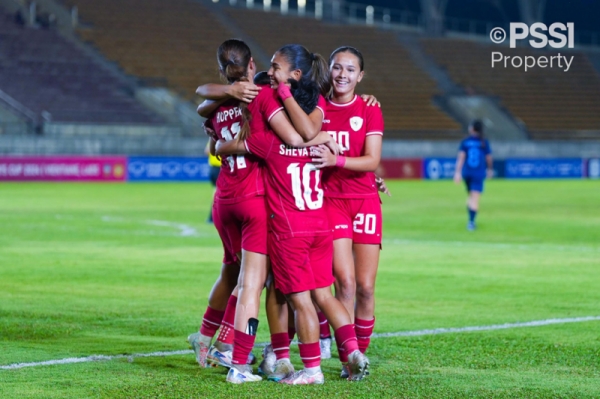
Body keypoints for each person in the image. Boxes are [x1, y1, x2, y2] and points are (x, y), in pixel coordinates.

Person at [216, 43, 370, 385]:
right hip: (320, 224)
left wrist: (219, 144)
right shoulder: (319, 132)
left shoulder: (268, 143)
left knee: (290, 297)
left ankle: (300, 365)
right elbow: (316, 133)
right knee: (323, 295)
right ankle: (352, 350)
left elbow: (228, 146)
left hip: (288, 228)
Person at [194, 39, 336, 384]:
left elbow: (202, 107)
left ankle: (211, 339)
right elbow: (298, 137)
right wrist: (326, 138)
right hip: (259, 201)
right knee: (258, 284)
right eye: (269, 68)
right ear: (254, 65)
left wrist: (222, 141)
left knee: (235, 275)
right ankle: (246, 358)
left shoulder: (223, 99)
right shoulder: (265, 97)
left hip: (224, 198)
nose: (272, 73)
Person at [310, 46, 385, 378]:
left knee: (367, 287)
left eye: (350, 69)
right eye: (337, 68)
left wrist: (336, 160)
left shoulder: (369, 108)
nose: (342, 75)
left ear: (361, 75)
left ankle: (360, 358)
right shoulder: (317, 107)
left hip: (365, 200)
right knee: (346, 281)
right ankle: (346, 356)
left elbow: (371, 161)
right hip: (331, 201)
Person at [453, 120, 493, 231]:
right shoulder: (483, 142)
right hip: (478, 173)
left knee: (470, 196)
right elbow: (488, 157)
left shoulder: (465, 142)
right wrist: (490, 170)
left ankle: (470, 217)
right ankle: (471, 222)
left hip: (467, 172)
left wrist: (457, 172)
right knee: (475, 198)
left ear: (472, 129)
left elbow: (461, 157)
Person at [204, 138, 221, 224]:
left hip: (213, 169)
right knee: (218, 193)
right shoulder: (225, 137)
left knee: (216, 192)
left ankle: (213, 216)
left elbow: (207, 151)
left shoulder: (213, 137)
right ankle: (213, 216)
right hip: (219, 168)